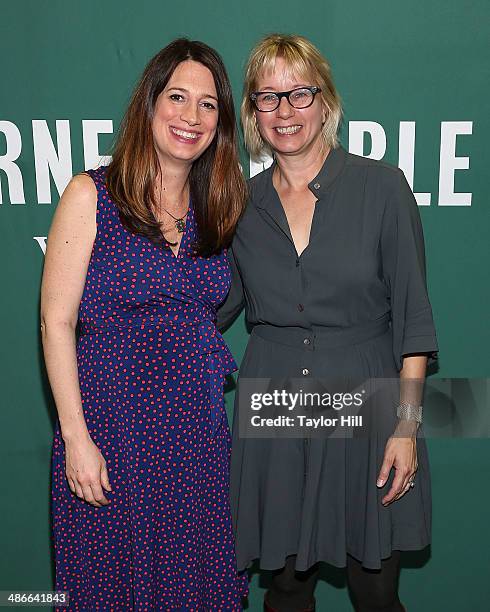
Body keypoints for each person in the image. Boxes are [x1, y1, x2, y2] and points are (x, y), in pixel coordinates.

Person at [218, 34, 438, 612]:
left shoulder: (382, 187)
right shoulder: (240, 205)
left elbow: (414, 323)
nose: (285, 111)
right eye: (268, 97)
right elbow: (212, 305)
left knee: (375, 589)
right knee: (286, 589)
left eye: (299, 94)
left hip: (369, 410)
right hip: (275, 411)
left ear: (326, 102)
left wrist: (406, 428)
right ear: (252, 113)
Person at [41, 38, 247, 610]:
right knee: (114, 587)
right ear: (150, 104)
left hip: (195, 437)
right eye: (178, 97)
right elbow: (55, 323)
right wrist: (76, 439)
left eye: (208, 105)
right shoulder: (92, 194)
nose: (192, 116)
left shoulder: (218, 211)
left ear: (221, 123)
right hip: (111, 430)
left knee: (193, 587)